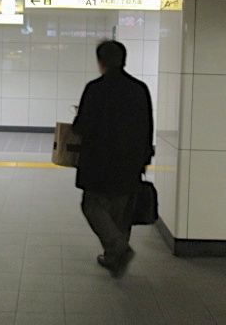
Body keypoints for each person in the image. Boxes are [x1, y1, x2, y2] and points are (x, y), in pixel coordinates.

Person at [72, 40, 154, 278]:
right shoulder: (139, 89)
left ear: (101, 62)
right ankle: (113, 258)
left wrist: (79, 115)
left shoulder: (95, 89)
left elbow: (82, 127)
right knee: (121, 212)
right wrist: (145, 157)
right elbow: (147, 127)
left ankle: (118, 249)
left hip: (98, 162)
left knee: (92, 205)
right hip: (129, 162)